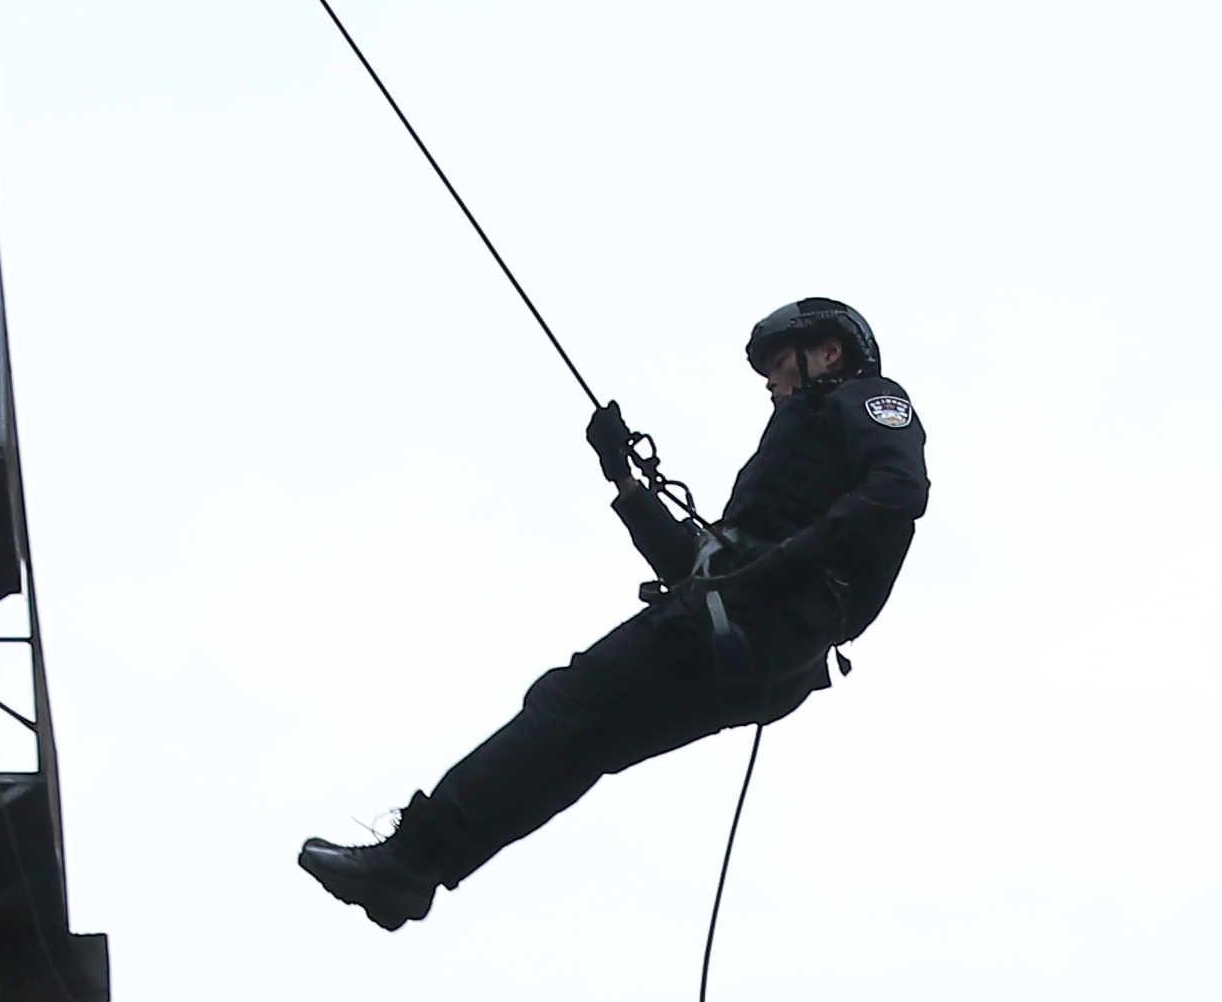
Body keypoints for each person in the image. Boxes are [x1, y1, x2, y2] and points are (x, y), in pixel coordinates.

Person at [294, 297, 928, 927]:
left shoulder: (865, 399)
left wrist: (786, 560)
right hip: (755, 636)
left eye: (778, 364)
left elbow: (898, 487)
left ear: (827, 353)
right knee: (583, 739)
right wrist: (624, 481)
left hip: (766, 622)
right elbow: (695, 568)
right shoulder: (795, 461)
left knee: (570, 705)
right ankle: (414, 870)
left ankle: (411, 861)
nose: (769, 381)